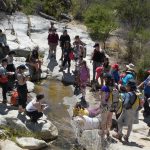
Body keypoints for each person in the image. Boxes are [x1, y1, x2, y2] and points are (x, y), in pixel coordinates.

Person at [99, 73, 117, 139]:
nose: (103, 79)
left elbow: (103, 99)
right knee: (109, 120)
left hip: (105, 106)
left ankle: (102, 136)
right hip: (112, 106)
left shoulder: (104, 87)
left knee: (104, 120)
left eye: (104, 78)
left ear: (106, 79)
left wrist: (101, 106)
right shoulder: (114, 87)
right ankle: (108, 132)